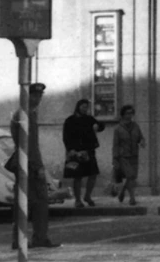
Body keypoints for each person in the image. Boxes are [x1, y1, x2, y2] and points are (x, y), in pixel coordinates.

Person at [10, 82, 59, 249]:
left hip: (27, 163)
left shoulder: (28, 113)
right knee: (37, 202)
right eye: (34, 95)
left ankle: (26, 239)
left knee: (27, 202)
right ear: (27, 95)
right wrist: (37, 166)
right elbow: (28, 144)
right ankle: (36, 238)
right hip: (29, 165)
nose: (38, 99)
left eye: (40, 96)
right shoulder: (24, 115)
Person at [62, 99, 104, 208]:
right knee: (77, 176)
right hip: (76, 151)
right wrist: (70, 149)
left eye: (87, 107)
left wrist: (97, 126)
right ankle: (77, 200)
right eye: (83, 107)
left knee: (93, 174)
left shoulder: (89, 119)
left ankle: (87, 196)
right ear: (78, 107)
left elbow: (101, 126)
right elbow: (66, 136)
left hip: (89, 150)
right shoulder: (70, 120)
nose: (85, 109)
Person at [112, 104, 145, 205]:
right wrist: (115, 158)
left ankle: (122, 192)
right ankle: (132, 198)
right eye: (127, 113)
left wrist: (142, 141)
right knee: (130, 175)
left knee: (132, 177)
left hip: (134, 154)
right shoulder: (118, 128)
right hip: (123, 156)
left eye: (131, 113)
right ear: (123, 115)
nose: (129, 115)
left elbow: (140, 137)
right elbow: (115, 144)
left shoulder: (135, 126)